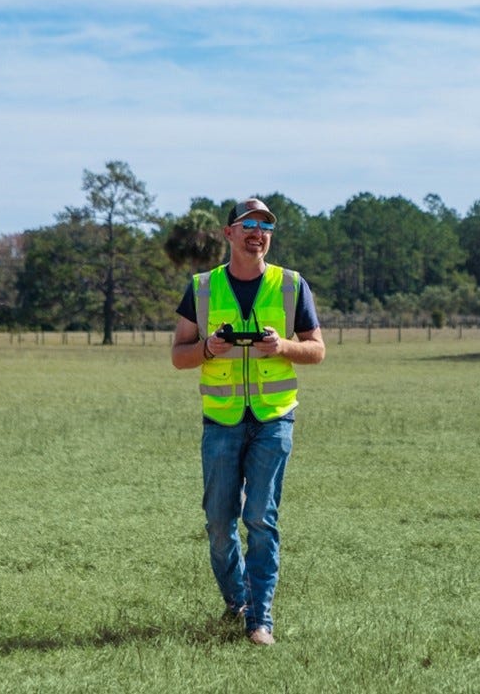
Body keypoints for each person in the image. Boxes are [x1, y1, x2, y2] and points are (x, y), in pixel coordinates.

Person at [171, 197, 326, 646]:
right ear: (229, 234)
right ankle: (237, 601)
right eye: (249, 224)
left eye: (266, 226)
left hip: (274, 420)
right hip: (221, 421)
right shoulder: (201, 287)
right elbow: (178, 356)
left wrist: (283, 347)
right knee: (220, 524)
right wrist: (207, 350)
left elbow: (317, 349)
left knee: (260, 517)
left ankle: (260, 620)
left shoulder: (292, 285)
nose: (258, 232)